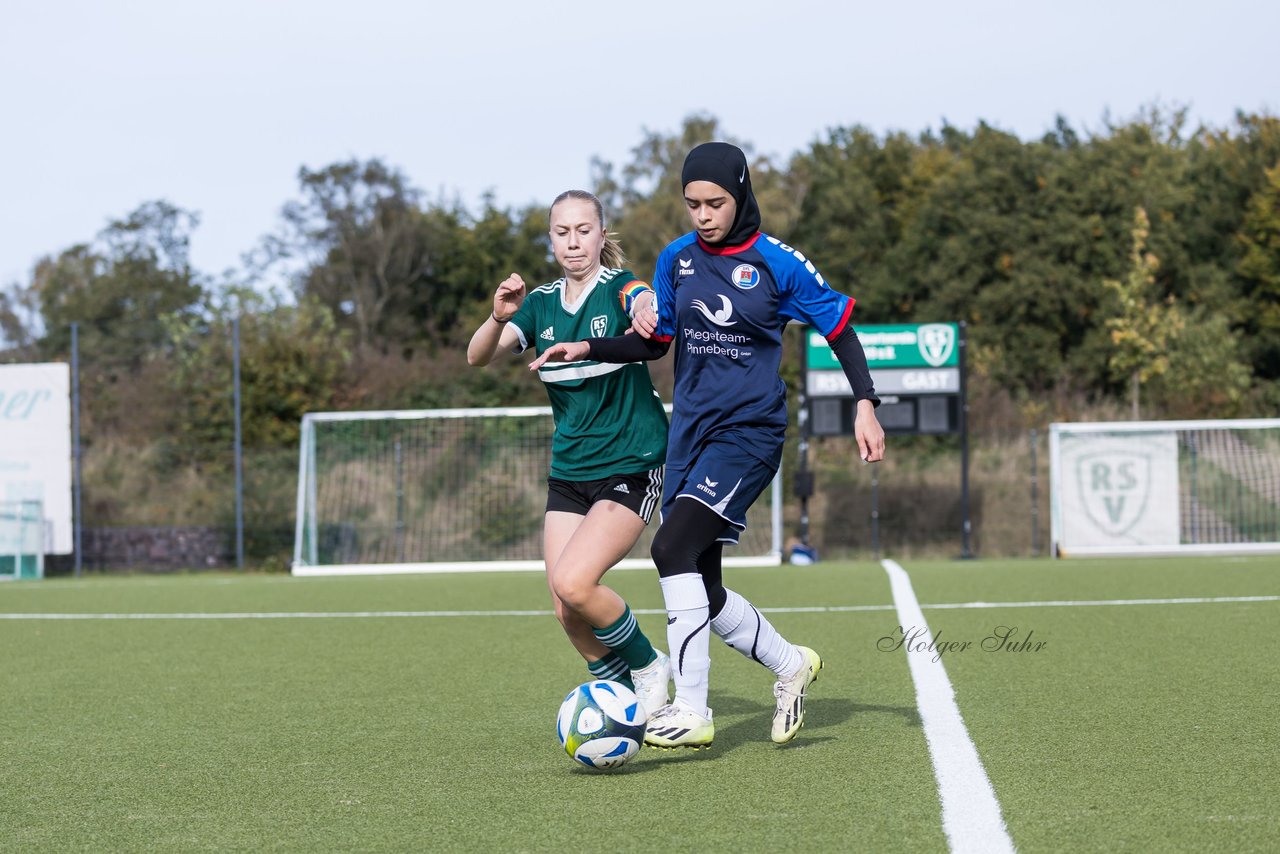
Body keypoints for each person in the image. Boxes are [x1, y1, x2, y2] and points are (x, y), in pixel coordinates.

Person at [531, 143, 886, 749]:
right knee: (704, 585)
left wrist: (865, 402)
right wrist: (587, 348)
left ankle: (692, 708)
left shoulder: (778, 262)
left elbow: (840, 327)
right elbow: (654, 345)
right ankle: (789, 663)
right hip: (689, 434)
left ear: (740, 195)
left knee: (670, 547)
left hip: (749, 432)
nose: (702, 214)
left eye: (714, 202)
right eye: (692, 203)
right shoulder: (677, 259)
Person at [467, 189, 672, 717]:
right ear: (551, 239)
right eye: (562, 232)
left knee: (575, 581)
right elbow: (477, 357)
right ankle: (619, 696)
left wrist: (648, 307)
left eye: (584, 230)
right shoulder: (538, 305)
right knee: (565, 606)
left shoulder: (618, 287)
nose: (573, 241)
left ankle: (649, 665)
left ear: (603, 236)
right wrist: (497, 316)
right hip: (570, 470)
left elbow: (642, 300)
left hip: (631, 461)